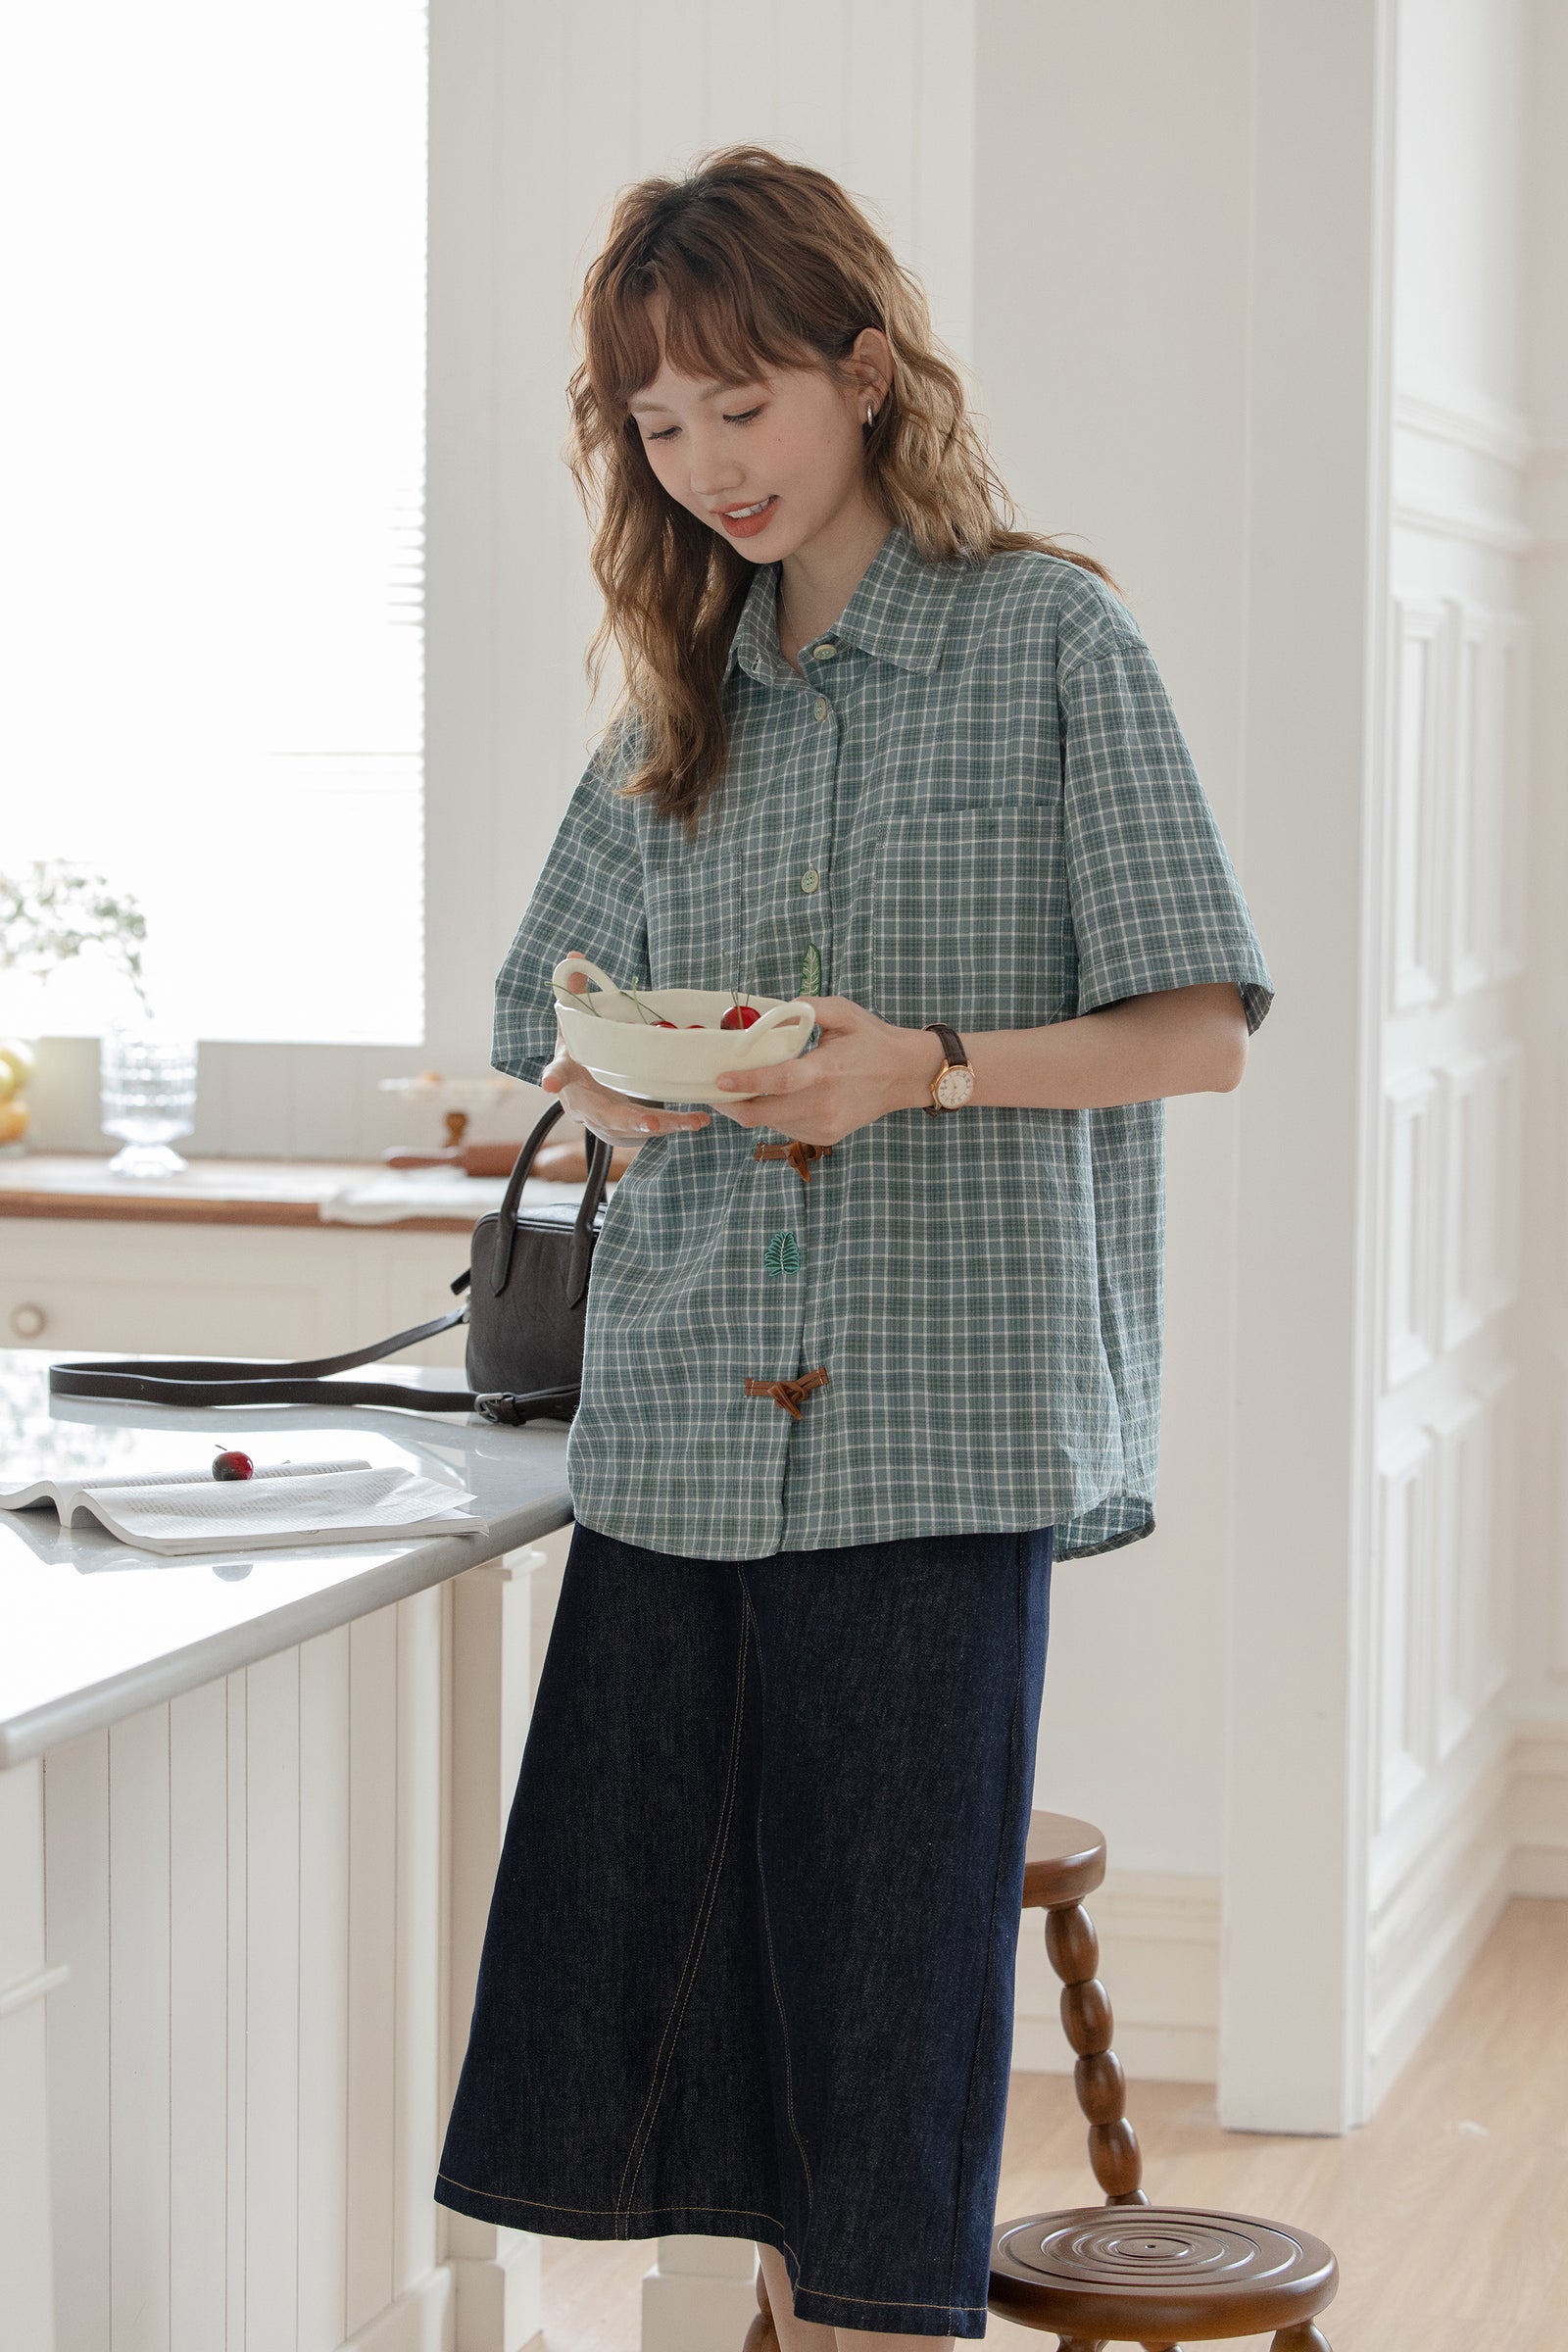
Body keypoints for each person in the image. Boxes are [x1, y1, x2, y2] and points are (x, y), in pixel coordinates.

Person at [434, 147, 1273, 2349]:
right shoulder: (672, 706)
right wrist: (612, 1074)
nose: (707, 462)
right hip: (683, 1451)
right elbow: (548, 1020)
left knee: (884, 2099)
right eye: (658, 422)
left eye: (745, 402)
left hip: (936, 1444)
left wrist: (932, 1068)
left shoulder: (1046, 640)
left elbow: (1200, 1031)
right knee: (697, 2064)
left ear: (865, 373)